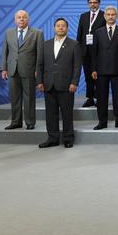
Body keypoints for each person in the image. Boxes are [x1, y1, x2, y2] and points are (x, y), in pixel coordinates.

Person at [36, 18, 82, 148]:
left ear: (67, 28)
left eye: (63, 26)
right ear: (54, 28)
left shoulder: (74, 44)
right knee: (50, 114)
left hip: (67, 85)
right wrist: (39, 81)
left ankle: (68, 139)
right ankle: (52, 138)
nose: (60, 28)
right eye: (58, 26)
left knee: (67, 114)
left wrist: (74, 82)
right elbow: (39, 64)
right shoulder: (46, 44)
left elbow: (77, 66)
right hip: (48, 84)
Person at [0, 10, 43, 130]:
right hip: (12, 69)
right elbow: (4, 52)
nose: (21, 19)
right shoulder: (8, 33)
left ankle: (30, 122)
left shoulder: (37, 33)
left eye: (24, 17)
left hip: (29, 70)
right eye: (19, 17)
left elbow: (40, 54)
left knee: (29, 97)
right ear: (15, 20)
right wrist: (3, 68)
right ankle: (16, 122)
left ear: (28, 20)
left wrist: (38, 70)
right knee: (14, 97)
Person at [90, 6, 118, 130]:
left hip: (117, 70)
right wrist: (94, 69)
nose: (111, 16)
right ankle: (102, 121)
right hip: (101, 70)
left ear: (116, 16)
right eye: (108, 14)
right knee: (101, 97)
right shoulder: (98, 31)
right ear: (105, 16)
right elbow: (94, 52)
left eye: (113, 14)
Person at [76, 0, 104, 107]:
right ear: (88, 4)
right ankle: (90, 98)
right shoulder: (83, 16)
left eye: (95, 2)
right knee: (88, 76)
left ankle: (99, 98)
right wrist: (78, 49)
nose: (93, 4)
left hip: (99, 51)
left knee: (98, 76)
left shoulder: (104, 16)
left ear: (99, 3)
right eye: (91, 2)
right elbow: (80, 34)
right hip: (85, 51)